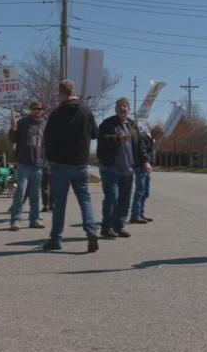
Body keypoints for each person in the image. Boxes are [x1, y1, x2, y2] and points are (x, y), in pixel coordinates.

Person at [42, 80, 99, 252]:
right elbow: (95, 133)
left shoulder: (56, 113)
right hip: (80, 163)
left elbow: (48, 139)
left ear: (61, 93)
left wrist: (49, 159)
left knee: (59, 204)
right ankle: (91, 230)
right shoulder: (86, 110)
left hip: (60, 164)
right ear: (74, 92)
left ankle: (56, 239)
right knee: (85, 200)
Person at [97, 97, 150, 239]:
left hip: (128, 169)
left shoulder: (133, 125)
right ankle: (107, 228)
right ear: (116, 109)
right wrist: (117, 139)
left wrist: (145, 161)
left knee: (124, 200)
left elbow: (140, 146)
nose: (123, 108)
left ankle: (119, 226)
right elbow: (101, 138)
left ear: (129, 109)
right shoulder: (108, 123)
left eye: (125, 106)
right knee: (112, 198)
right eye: (120, 106)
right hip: (110, 168)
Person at [8, 102, 47, 231]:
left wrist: (47, 161)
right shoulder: (23, 123)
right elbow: (13, 139)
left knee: (35, 194)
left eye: (39, 109)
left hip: (38, 163)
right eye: (34, 108)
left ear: (42, 110)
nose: (37, 111)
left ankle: (34, 219)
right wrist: (13, 128)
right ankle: (15, 220)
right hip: (24, 163)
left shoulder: (45, 124)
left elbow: (48, 144)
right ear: (30, 110)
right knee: (20, 191)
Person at [129, 125, 162, 224]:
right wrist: (146, 162)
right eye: (159, 135)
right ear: (155, 132)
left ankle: (140, 214)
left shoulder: (150, 139)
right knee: (140, 191)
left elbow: (150, 153)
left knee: (145, 191)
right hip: (141, 166)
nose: (159, 137)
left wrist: (151, 164)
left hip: (146, 167)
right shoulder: (144, 137)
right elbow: (142, 150)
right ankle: (135, 215)